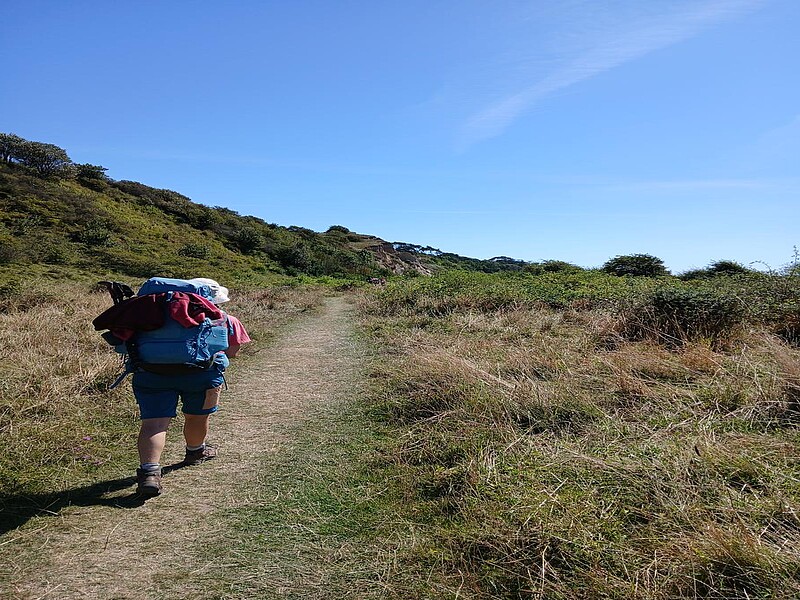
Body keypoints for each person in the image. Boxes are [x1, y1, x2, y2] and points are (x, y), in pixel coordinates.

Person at [132, 278, 250, 496]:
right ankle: (195, 452)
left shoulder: (145, 314)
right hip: (202, 375)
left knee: (154, 424)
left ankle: (149, 473)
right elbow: (232, 352)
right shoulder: (225, 319)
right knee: (197, 417)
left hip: (150, 374)